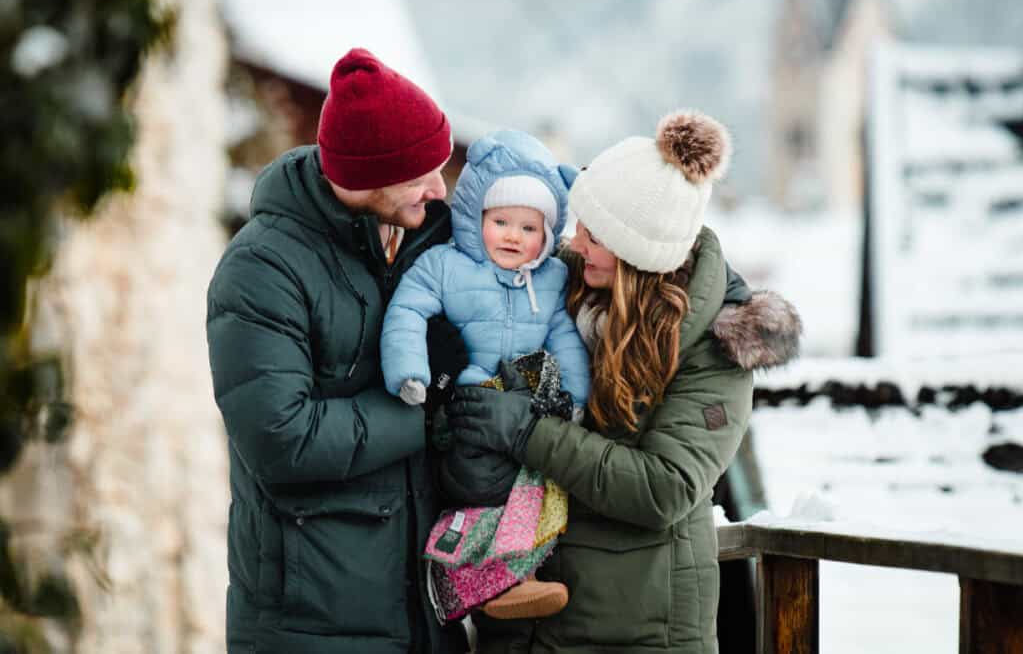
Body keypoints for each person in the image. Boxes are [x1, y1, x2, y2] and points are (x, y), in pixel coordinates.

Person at [445, 109, 803, 653]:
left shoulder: (717, 346)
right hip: (529, 631)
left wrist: (527, 434)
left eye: (595, 232)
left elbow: (663, 487)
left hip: (637, 632)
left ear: (638, 251)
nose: (576, 239)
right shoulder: (562, 285)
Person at [206, 47, 466, 654]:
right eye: (420, 171)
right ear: (368, 172)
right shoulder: (261, 268)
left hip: (424, 614)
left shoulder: (428, 239)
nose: (437, 186)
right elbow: (282, 439)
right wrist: (428, 412)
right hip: (309, 624)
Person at [380, 130, 590, 621]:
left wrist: (575, 397)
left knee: (538, 491)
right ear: (476, 219)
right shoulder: (445, 267)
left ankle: (516, 578)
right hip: (469, 402)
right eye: (500, 222)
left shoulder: (553, 279)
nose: (514, 236)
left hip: (527, 404)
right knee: (480, 488)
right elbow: (407, 312)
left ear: (548, 233)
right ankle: (466, 573)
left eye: (529, 227)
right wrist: (408, 372)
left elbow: (564, 337)